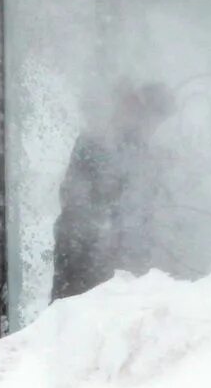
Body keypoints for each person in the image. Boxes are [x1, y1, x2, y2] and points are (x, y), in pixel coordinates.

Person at [51, 81, 175, 302]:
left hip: (120, 265)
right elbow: (76, 200)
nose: (150, 126)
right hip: (85, 258)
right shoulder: (95, 144)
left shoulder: (143, 151)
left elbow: (147, 212)